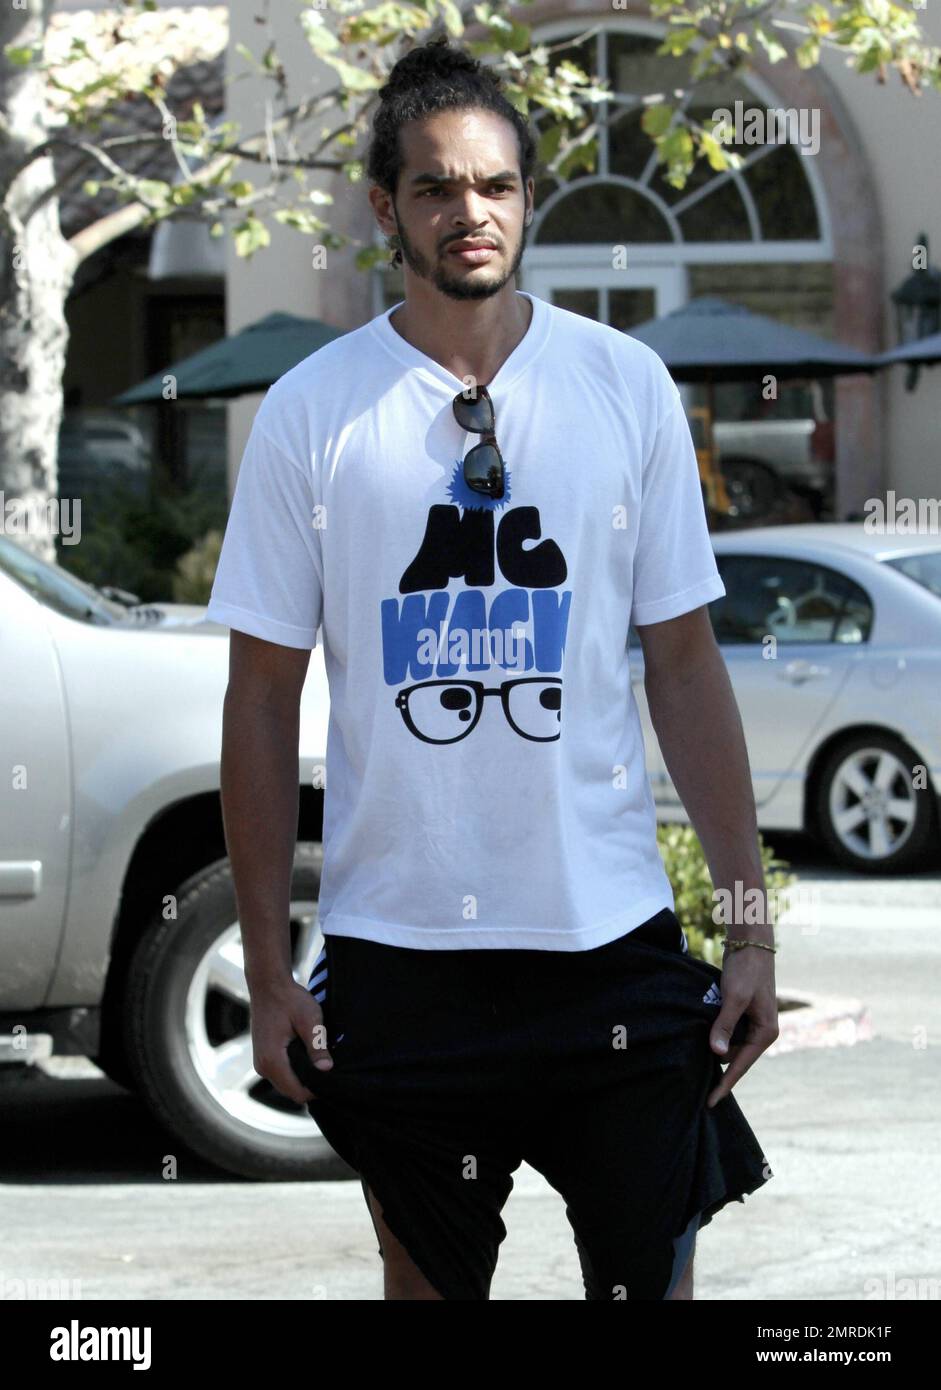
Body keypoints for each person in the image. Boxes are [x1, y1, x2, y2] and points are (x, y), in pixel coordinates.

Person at [205, 37, 778, 1301]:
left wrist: (747, 932)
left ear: (527, 195)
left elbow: (683, 664)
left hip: (606, 944)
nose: (471, 212)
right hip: (399, 957)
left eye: (496, 185)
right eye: (434, 188)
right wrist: (264, 969)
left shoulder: (622, 385)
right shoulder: (313, 411)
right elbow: (259, 695)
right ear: (384, 208)